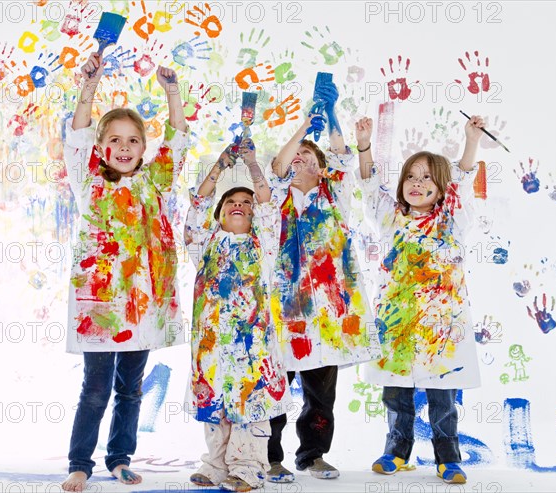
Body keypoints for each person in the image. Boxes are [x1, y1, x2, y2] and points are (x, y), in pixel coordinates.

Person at [61, 52, 189, 492]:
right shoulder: (88, 180)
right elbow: (76, 136)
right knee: (95, 390)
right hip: (100, 308)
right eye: (114, 140)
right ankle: (80, 463)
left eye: (133, 140)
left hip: (143, 305)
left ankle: (119, 458)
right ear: (101, 148)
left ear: (143, 147)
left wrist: (172, 91)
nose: (124, 148)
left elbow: (178, 141)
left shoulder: (156, 180)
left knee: (130, 390)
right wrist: (89, 85)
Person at [355, 114, 485, 484]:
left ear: (442, 187)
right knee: (396, 395)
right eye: (410, 176)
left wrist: (470, 140)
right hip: (396, 324)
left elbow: (461, 181)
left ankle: (448, 457)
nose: (416, 182)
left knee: (442, 399)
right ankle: (396, 452)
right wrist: (364, 144)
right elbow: (368, 186)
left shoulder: (453, 220)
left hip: (440, 329)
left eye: (427, 177)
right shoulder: (390, 217)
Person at [267, 79, 380, 482]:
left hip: (329, 315)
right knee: (275, 386)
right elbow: (277, 168)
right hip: (283, 310)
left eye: (308, 157)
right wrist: (302, 126)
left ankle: (312, 454)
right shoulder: (273, 197)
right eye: (294, 156)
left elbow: (341, 155)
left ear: (322, 166)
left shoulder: (335, 194)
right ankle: (270, 457)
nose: (300, 162)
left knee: (321, 393)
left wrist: (330, 115)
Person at [184, 137, 291, 492]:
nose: (240, 205)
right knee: (214, 405)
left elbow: (267, 204)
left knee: (249, 403)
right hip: (211, 346)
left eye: (245, 202)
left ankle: (249, 467)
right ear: (220, 213)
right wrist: (220, 165)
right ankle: (216, 463)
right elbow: (197, 206)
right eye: (231, 201)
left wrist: (253, 163)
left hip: (251, 348)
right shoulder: (205, 245)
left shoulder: (265, 245)